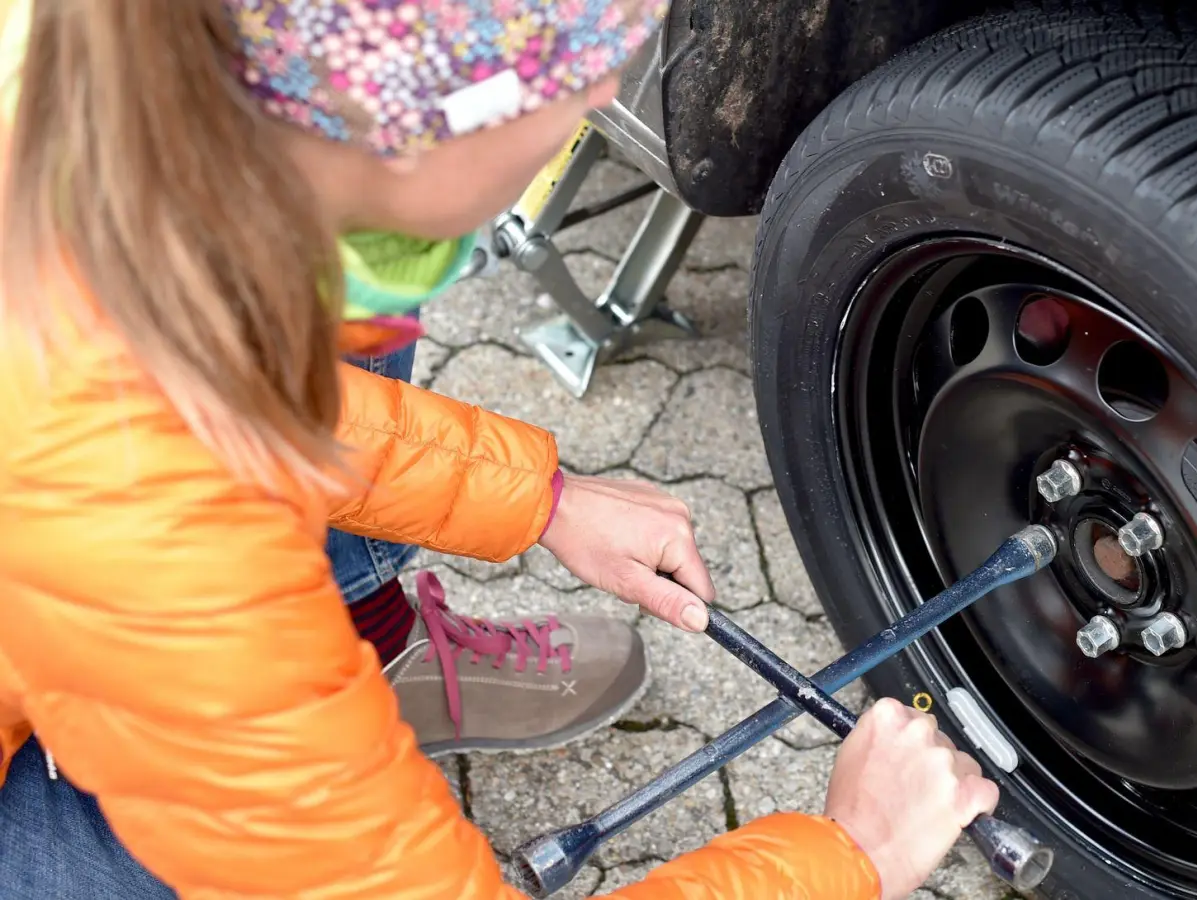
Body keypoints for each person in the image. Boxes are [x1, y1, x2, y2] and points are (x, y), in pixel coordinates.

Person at [0, 1, 1003, 899]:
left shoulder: (77, 118)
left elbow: (210, 402)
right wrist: (849, 852)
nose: (606, 93)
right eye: (580, 82)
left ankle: (345, 685)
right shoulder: (150, 533)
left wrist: (538, 497)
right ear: (423, 132)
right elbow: (164, 464)